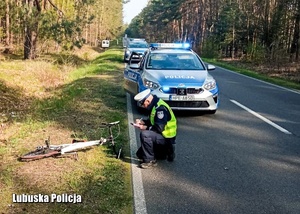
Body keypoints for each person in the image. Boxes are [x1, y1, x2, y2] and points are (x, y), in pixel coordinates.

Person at [133, 89, 177, 169]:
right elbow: (154, 122)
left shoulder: (160, 109)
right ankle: (166, 152)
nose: (142, 106)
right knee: (140, 154)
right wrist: (143, 122)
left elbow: (159, 128)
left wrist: (144, 127)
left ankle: (150, 161)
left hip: (166, 138)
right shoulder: (154, 105)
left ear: (148, 101)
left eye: (143, 103)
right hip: (161, 137)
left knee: (145, 134)